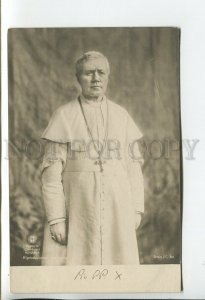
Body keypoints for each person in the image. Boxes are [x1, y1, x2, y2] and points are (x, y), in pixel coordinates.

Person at [41, 51, 144, 265]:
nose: (96, 78)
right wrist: (57, 219)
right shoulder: (63, 115)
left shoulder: (121, 115)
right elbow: (50, 177)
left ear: (108, 77)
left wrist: (135, 209)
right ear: (78, 78)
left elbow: (134, 169)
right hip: (77, 210)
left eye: (101, 72)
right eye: (89, 73)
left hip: (118, 210)